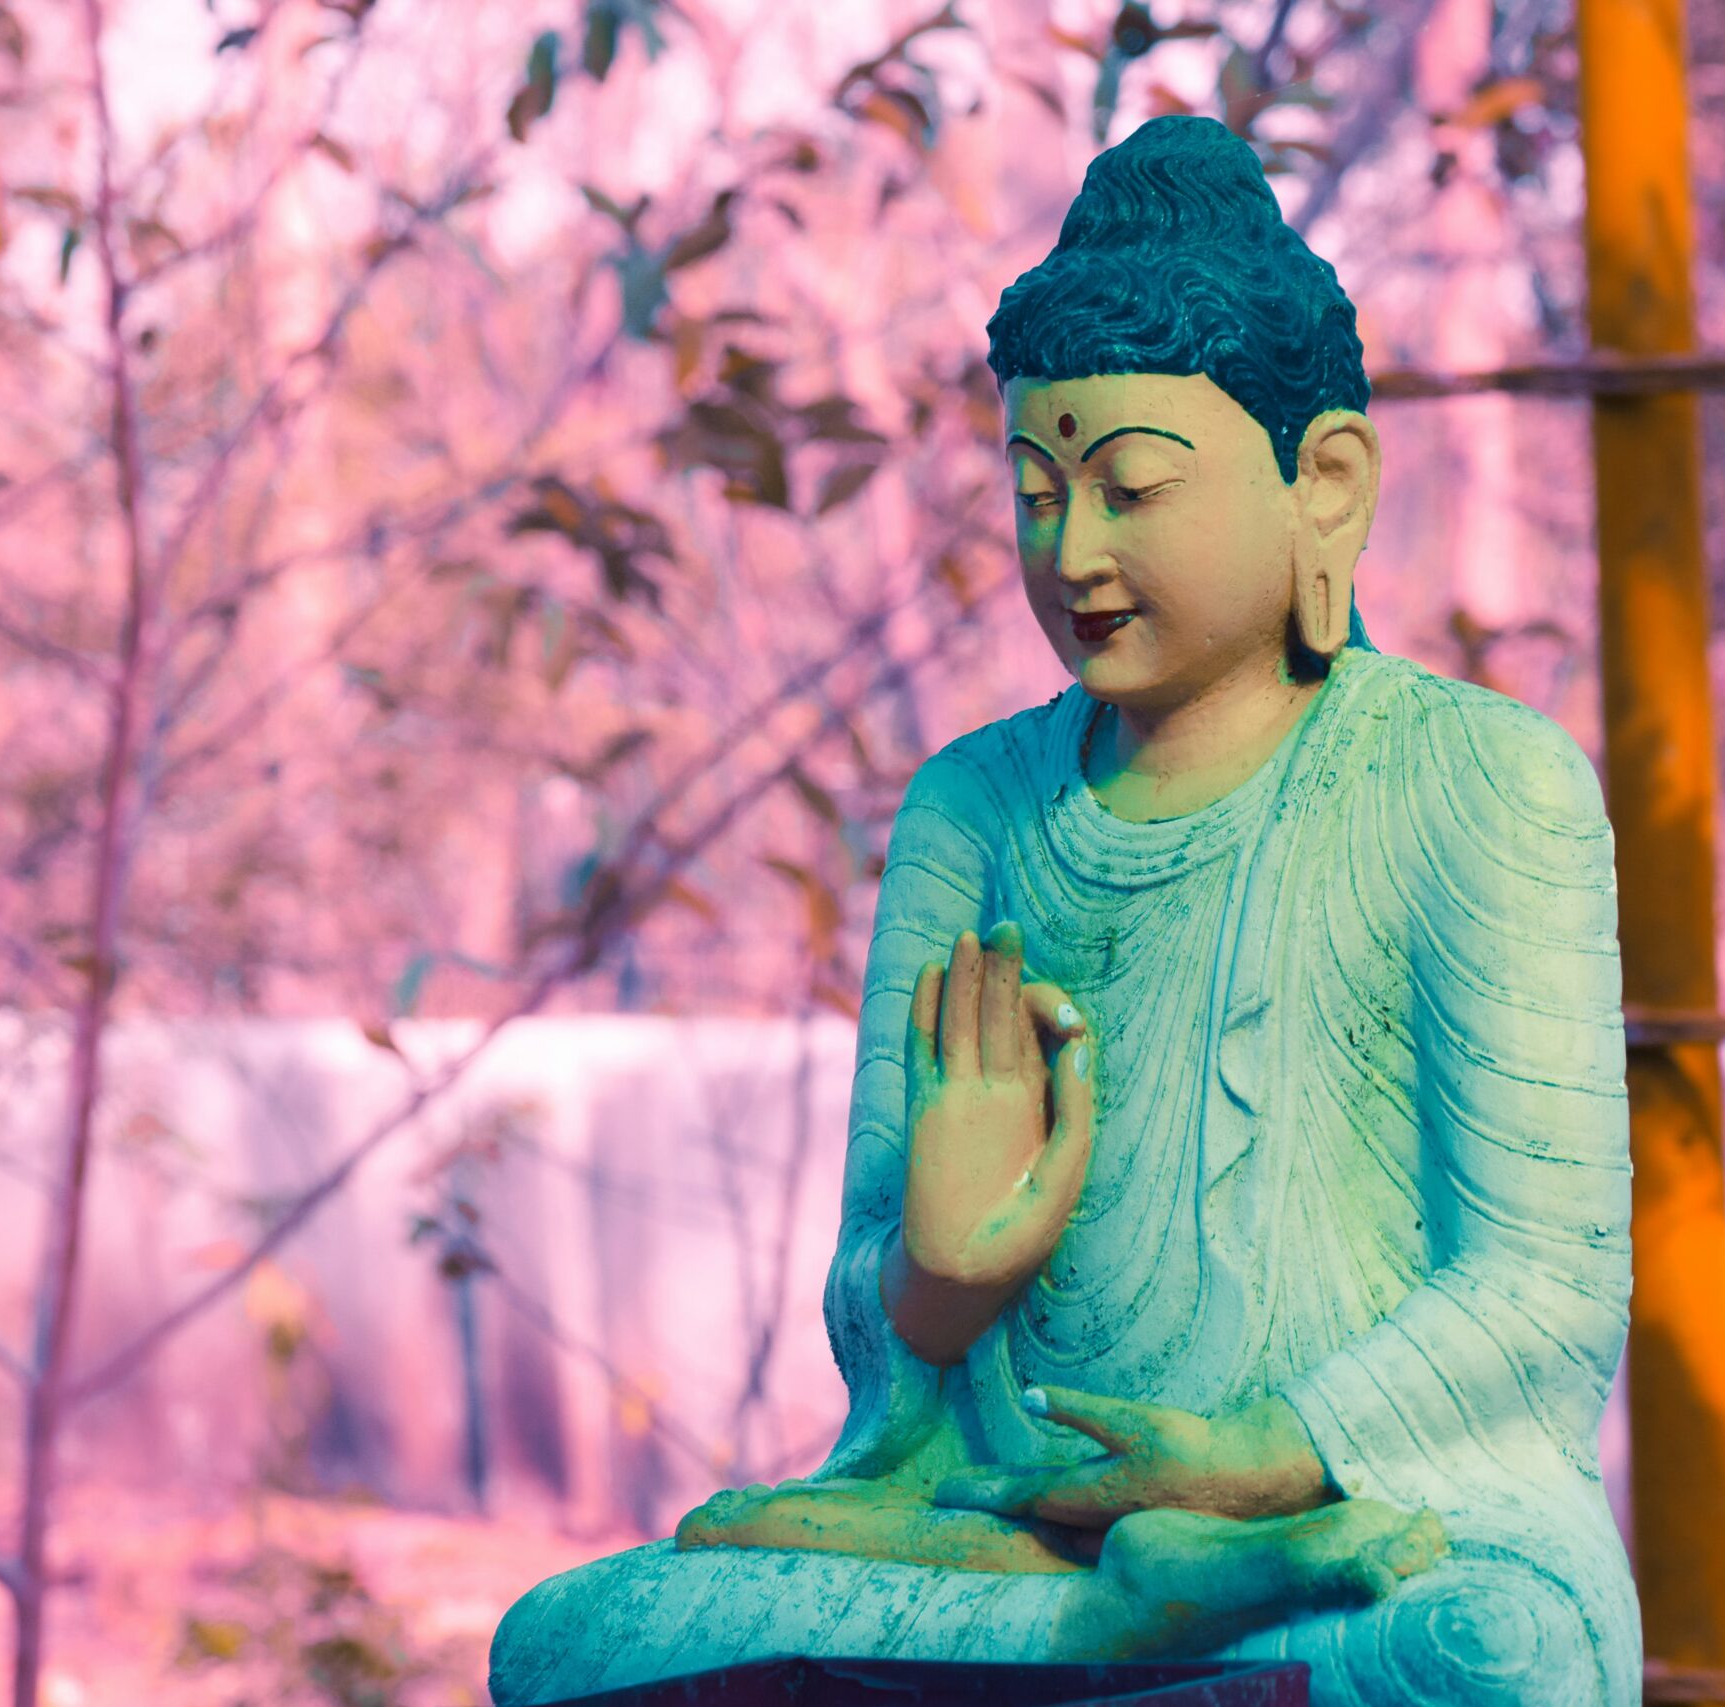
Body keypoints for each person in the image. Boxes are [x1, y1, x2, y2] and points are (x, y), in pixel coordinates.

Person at [491, 115, 1635, 1707]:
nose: (1072, 552)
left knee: (1478, 1653)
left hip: (1366, 1520)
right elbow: (881, 1310)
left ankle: (1187, 1590)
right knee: (568, 1642)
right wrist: (944, 1275)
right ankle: (1128, 1616)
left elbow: (1543, 1287)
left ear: (1325, 483)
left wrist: (1261, 1457)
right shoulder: (973, 809)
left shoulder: (1472, 783)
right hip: (1001, 1526)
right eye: (1035, 493)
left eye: (1129, 489)